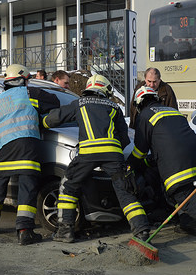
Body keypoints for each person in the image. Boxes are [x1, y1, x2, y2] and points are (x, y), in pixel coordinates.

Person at [43, 74, 149, 243]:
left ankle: (65, 231)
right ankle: (142, 231)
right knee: (125, 191)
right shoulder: (114, 107)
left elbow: (54, 119)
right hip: (113, 155)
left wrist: (42, 122)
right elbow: (124, 137)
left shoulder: (79, 103)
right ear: (105, 90)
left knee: (68, 186)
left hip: (87, 155)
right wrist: (112, 152)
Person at [128, 85, 196, 245]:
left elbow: (140, 151)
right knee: (177, 191)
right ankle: (190, 224)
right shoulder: (171, 111)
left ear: (139, 104)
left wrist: (130, 165)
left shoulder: (144, 115)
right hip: (193, 154)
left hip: (175, 159)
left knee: (183, 195)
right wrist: (150, 161)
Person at [0, 64, 55, 245]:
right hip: (26, 147)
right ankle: (24, 230)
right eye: (28, 80)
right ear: (22, 79)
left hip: (2, 150)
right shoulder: (31, 95)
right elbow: (55, 102)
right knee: (27, 186)